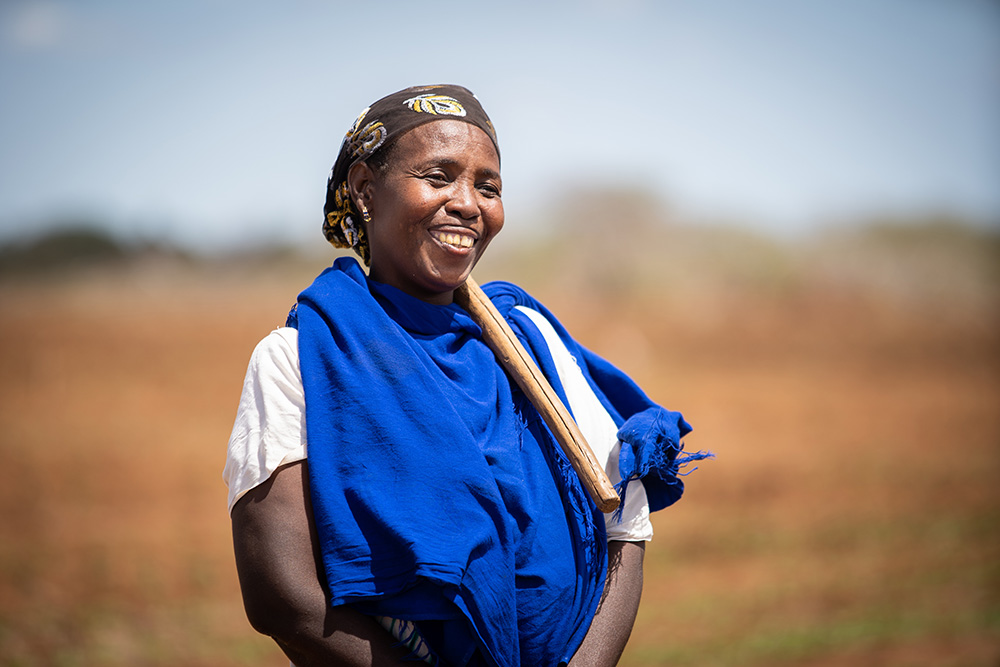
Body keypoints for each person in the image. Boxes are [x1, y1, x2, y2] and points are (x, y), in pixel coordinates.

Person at [224, 84, 709, 667]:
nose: (468, 204)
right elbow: (284, 598)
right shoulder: (300, 360)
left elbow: (625, 528)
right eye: (437, 176)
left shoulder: (530, 343)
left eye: (488, 186)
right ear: (363, 189)